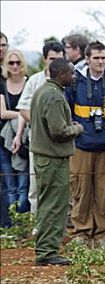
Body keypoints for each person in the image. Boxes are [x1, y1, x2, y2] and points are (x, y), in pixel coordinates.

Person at [65, 41, 105, 247]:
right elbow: (67, 112)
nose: (100, 62)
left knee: (104, 189)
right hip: (81, 145)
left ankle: (102, 232)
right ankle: (81, 232)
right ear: (88, 59)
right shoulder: (75, 83)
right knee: (81, 188)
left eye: (103, 57)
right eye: (96, 58)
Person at [31, 58, 84, 265]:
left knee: (48, 203)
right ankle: (46, 252)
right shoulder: (53, 96)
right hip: (53, 159)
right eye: (71, 73)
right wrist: (77, 129)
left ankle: (46, 249)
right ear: (61, 74)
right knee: (54, 205)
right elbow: (59, 131)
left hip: (46, 158)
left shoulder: (44, 91)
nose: (73, 76)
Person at [14, 41, 65, 220]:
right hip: (39, 140)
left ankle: (63, 224)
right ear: (45, 59)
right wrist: (46, 124)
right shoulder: (35, 81)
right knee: (37, 185)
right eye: (52, 59)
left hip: (63, 142)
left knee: (63, 184)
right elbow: (23, 109)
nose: (55, 62)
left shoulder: (68, 80)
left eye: (59, 59)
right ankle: (38, 223)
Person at [1, 49, 29, 217]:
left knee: (24, 182)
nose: (15, 66)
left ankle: (23, 218)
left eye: (18, 62)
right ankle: (12, 222)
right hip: (4, 138)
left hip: (25, 138)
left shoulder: (29, 82)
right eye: (11, 63)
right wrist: (22, 114)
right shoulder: (2, 84)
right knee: (10, 183)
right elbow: (2, 113)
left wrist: (23, 116)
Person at [0, 32, 9, 227]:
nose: (1, 48)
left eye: (3, 45)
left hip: (5, 136)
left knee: (9, 183)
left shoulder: (6, 73)